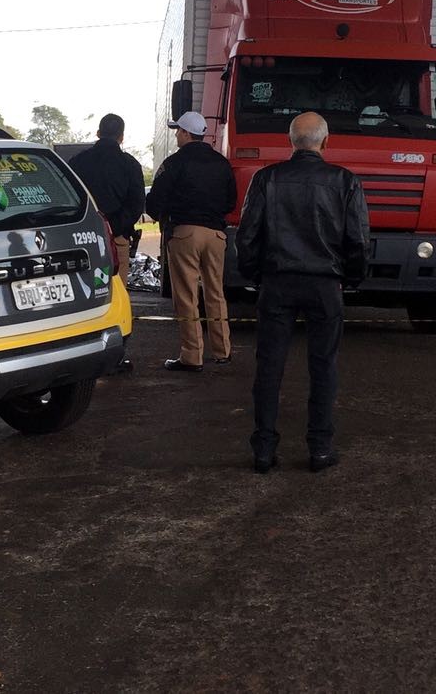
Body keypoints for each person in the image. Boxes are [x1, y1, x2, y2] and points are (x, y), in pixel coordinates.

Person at [236, 113, 367, 474]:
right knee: (323, 366)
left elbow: (246, 236)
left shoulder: (266, 179)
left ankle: (264, 450)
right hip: (325, 285)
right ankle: (320, 449)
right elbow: (357, 240)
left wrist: (254, 276)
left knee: (269, 367)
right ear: (326, 143)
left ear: (290, 141)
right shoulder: (345, 181)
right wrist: (351, 278)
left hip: (277, 283)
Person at [145, 110, 236, 372]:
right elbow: (231, 200)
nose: (176, 135)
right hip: (217, 234)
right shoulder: (221, 163)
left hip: (185, 232)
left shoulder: (174, 163)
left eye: (178, 131)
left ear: (186, 133)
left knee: (186, 295)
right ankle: (222, 351)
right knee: (215, 292)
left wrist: (159, 214)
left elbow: (156, 200)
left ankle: (192, 355)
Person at [67, 113, 146, 273]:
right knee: (116, 291)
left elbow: (67, 198)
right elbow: (137, 204)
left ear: (98, 133)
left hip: (82, 239)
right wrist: (113, 227)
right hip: (117, 239)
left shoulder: (77, 162)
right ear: (122, 137)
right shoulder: (130, 165)